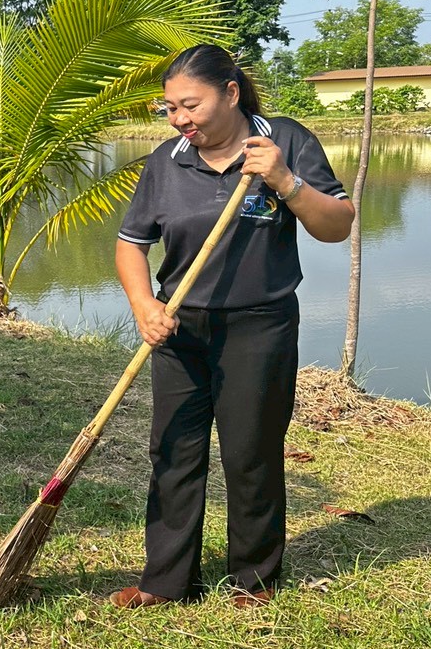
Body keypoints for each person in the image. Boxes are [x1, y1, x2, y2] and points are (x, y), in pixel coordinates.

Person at [110, 44, 354, 610]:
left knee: (252, 452)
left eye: (189, 105)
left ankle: (254, 577)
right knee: (174, 452)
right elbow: (131, 244)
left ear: (232, 92)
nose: (180, 119)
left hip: (259, 326)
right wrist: (145, 304)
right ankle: (167, 581)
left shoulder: (285, 140)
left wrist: (285, 181)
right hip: (177, 329)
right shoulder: (165, 161)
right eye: (169, 109)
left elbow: (338, 226)